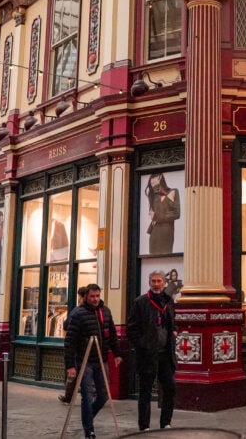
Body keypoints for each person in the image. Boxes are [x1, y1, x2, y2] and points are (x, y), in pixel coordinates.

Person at [66, 283, 123, 439]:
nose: (95, 299)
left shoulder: (106, 311)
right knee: (87, 395)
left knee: (103, 395)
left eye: (97, 296)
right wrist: (70, 365)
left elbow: (112, 334)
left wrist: (117, 353)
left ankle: (87, 417)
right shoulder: (78, 314)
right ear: (86, 296)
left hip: (101, 360)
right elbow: (69, 341)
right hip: (85, 361)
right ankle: (89, 431)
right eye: (92, 296)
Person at [127, 271, 177, 433]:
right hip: (147, 355)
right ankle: (144, 426)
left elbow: (172, 321)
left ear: (164, 283)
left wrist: (174, 331)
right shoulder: (140, 302)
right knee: (146, 392)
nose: (156, 284)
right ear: (149, 283)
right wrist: (143, 344)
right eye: (153, 281)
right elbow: (131, 329)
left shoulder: (169, 301)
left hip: (166, 354)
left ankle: (166, 423)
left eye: (159, 281)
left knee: (169, 388)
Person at [58, 285, 90, 404]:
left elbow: (66, 325)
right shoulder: (97, 310)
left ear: (81, 297)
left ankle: (69, 396)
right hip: (90, 347)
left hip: (78, 347)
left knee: (74, 372)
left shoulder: (77, 311)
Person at [145, 173, 180, 254]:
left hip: (166, 232)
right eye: (152, 183)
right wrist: (153, 215)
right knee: (153, 258)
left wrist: (156, 216)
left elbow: (176, 213)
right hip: (154, 233)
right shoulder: (154, 196)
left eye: (154, 182)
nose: (153, 185)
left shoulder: (173, 191)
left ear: (160, 177)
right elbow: (155, 214)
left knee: (165, 256)